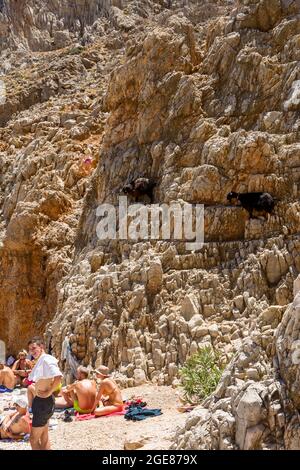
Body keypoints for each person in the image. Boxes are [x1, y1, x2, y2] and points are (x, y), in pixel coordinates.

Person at [27, 338, 62, 451]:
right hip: (44, 402)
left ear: (41, 346)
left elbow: (58, 376)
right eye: (30, 350)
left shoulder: (46, 359)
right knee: (44, 436)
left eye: (34, 348)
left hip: (43, 403)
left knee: (33, 439)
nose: (32, 352)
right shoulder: (42, 360)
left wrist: (49, 391)